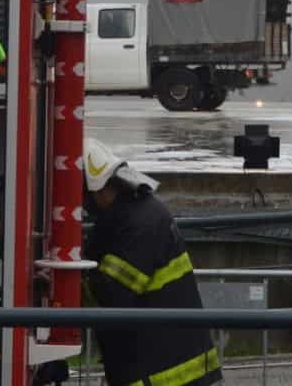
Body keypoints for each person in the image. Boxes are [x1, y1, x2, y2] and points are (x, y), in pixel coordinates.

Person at [82, 137, 222, 386]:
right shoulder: (127, 217)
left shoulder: (140, 226)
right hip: (164, 366)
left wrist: (64, 280)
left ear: (98, 188)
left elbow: (110, 296)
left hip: (168, 374)